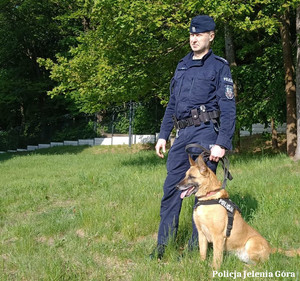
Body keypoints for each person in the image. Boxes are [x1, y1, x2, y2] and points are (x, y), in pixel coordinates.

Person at [150, 15, 236, 259]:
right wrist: (163, 135)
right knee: (171, 190)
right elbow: (172, 104)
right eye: (191, 35)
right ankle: (162, 247)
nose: (193, 38)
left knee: (203, 193)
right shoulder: (182, 65)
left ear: (211, 36)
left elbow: (229, 108)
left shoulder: (219, 66)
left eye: (199, 35)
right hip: (183, 134)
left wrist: (222, 143)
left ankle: (193, 250)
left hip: (206, 133)